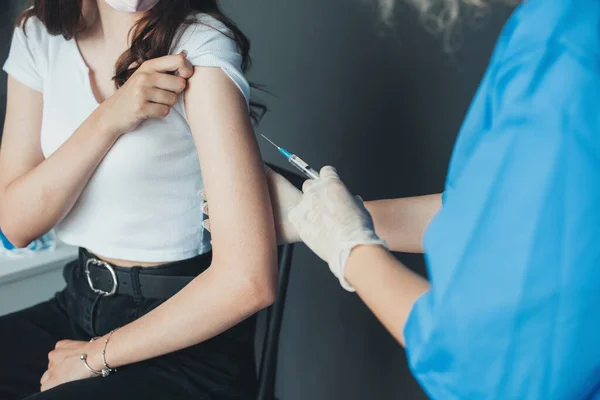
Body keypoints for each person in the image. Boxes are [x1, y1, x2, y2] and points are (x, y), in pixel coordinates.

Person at [206, 0, 600, 398]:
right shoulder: (565, 26)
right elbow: (506, 214)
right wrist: (306, 220)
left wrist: (350, 249)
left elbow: (493, 371)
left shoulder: (565, 53)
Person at [0, 0, 277, 399]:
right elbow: (15, 224)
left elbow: (248, 282)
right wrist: (110, 117)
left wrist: (93, 357)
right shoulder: (39, 35)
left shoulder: (199, 45)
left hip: (183, 336)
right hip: (78, 303)